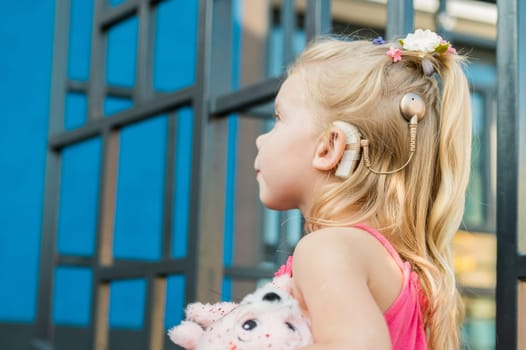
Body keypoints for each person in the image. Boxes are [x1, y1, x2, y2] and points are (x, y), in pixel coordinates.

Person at [254, 29, 471, 350]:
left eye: (278, 118)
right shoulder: (384, 261)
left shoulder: (326, 249)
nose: (260, 138)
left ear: (329, 147)